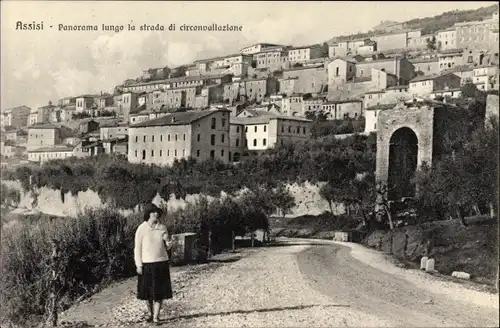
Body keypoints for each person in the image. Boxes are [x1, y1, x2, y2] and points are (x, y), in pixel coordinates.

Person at [134, 202, 173, 324]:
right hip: (147, 264)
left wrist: (168, 242)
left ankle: (156, 317)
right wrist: (138, 265)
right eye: (153, 212)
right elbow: (137, 248)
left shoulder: (162, 227)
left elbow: (168, 247)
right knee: (147, 293)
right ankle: (150, 314)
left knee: (159, 292)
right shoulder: (142, 228)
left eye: (157, 212)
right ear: (148, 214)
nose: (156, 214)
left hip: (161, 262)